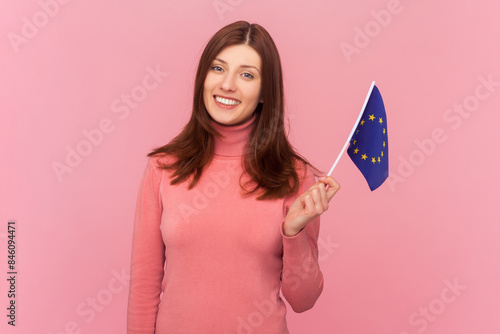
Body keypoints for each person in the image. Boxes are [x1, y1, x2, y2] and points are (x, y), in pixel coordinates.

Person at [127, 20, 341, 334]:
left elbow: (303, 299)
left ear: (265, 91)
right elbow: (144, 285)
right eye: (218, 68)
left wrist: (294, 232)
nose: (228, 85)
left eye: (246, 75)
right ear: (203, 78)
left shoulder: (292, 175)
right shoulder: (163, 167)